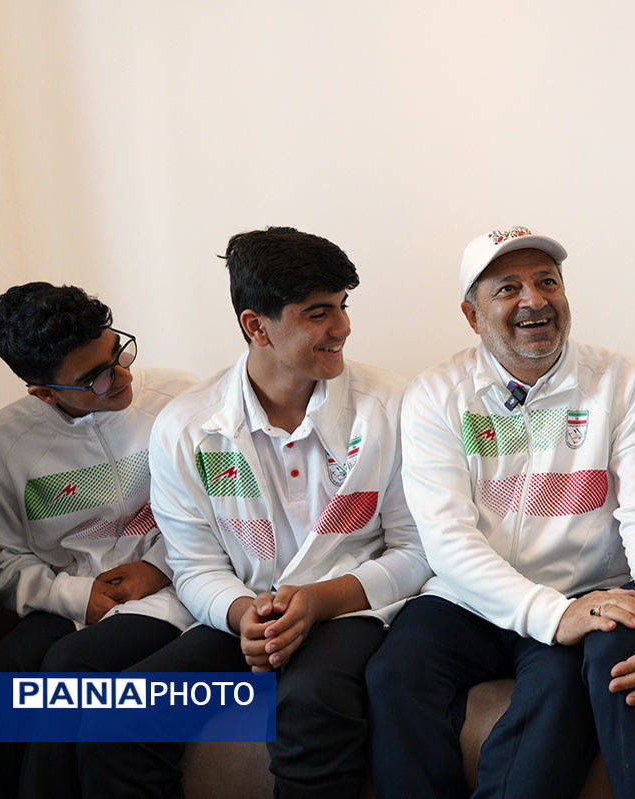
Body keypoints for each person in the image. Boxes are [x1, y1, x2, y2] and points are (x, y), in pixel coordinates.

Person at [78, 227, 430, 799]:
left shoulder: (390, 406)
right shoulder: (187, 427)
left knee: (309, 701)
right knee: (121, 719)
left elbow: (416, 551)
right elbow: (194, 566)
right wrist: (244, 614)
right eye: (318, 313)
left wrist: (317, 601)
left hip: (355, 610)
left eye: (343, 307)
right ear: (256, 326)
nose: (342, 327)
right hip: (247, 619)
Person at [366, 226, 635, 799]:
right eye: (508, 288)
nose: (534, 300)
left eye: (547, 282)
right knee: (393, 676)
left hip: (588, 591)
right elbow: (447, 540)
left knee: (556, 697)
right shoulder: (435, 395)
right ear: (472, 316)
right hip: (466, 598)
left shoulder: (624, 381)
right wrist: (550, 615)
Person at [0, 282, 195, 799]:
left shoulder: (180, 399)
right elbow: (5, 556)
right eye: (95, 377)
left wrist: (160, 566)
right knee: (8, 672)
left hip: (171, 591)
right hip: (71, 599)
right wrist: (75, 596)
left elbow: (229, 510)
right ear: (44, 393)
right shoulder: (7, 442)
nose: (122, 377)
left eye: (118, 352)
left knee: (68, 669)